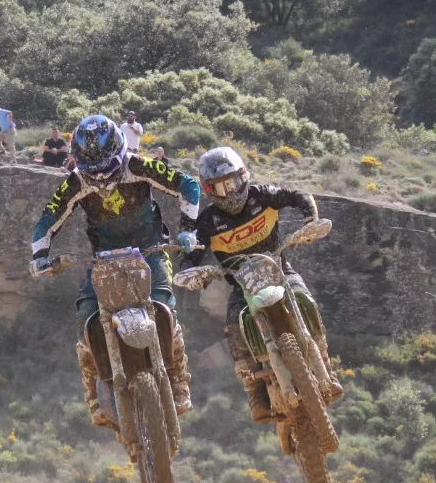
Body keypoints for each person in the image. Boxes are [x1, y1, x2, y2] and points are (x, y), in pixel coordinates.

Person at [29, 114, 202, 424]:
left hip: (149, 250)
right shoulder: (76, 183)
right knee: (86, 313)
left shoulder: (139, 166)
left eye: (106, 169)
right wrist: (40, 255)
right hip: (104, 259)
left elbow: (186, 184)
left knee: (164, 307)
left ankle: (177, 379)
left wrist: (188, 229)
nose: (101, 179)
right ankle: (94, 391)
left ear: (120, 152)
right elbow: (49, 217)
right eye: (92, 172)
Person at [178, 146, 341, 423]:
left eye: (232, 182)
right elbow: (189, 255)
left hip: (279, 268)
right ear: (209, 191)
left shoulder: (262, 195)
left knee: (306, 300)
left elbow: (297, 195)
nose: (229, 192)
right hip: (241, 285)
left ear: (244, 176)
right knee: (234, 326)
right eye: (219, 188)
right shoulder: (207, 221)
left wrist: (310, 220)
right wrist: (193, 272)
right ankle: (254, 389)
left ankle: (324, 361)